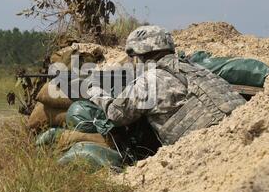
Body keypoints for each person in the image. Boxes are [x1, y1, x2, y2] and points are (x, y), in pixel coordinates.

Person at [88, 25, 246, 145]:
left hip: (208, 148)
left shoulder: (150, 80)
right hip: (241, 133)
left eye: (132, 56)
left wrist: (95, 92)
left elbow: (116, 115)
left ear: (139, 55)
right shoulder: (195, 68)